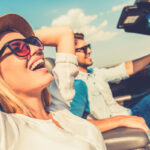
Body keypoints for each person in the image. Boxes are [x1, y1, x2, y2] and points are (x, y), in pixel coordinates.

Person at [0, 14, 106, 150]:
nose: (37, 49)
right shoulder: (9, 130)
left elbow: (65, 33)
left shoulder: (59, 104)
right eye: (19, 47)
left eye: (33, 42)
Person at [50, 32, 150, 134]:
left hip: (129, 113)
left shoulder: (97, 73)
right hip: (118, 126)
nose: (90, 51)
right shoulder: (73, 85)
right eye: (84, 49)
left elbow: (127, 69)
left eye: (88, 46)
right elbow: (76, 124)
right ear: (72, 55)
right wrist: (120, 121)